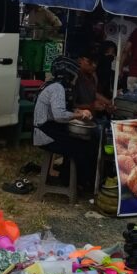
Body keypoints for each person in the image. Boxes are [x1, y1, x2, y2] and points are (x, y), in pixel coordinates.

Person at [34, 56, 96, 191]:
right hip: (45, 134)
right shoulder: (57, 88)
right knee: (84, 147)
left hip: (49, 129)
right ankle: (78, 183)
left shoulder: (53, 84)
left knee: (81, 144)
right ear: (69, 74)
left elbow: (60, 109)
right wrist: (80, 114)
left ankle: (67, 179)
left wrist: (77, 110)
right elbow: (60, 116)